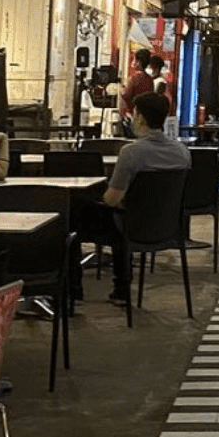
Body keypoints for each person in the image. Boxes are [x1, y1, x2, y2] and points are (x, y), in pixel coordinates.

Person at [76, 92, 191, 303]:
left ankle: (74, 291)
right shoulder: (182, 152)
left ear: (140, 118)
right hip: (169, 227)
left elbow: (112, 200)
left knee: (74, 217)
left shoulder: (131, 153)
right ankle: (120, 289)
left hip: (131, 228)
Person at [120, 49, 155, 132]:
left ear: (139, 61)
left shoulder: (135, 78)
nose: (133, 62)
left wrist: (121, 89)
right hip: (144, 117)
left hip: (132, 115)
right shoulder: (150, 79)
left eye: (134, 59)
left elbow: (126, 95)